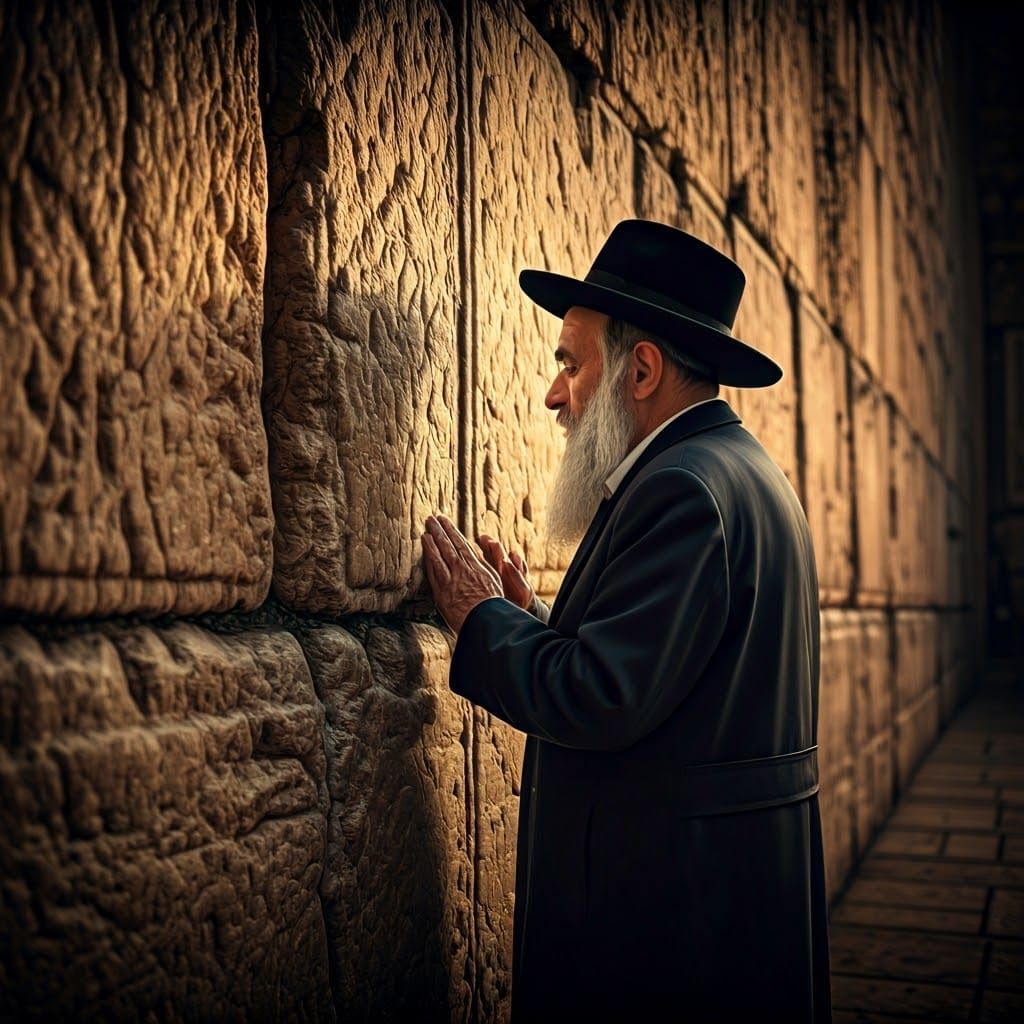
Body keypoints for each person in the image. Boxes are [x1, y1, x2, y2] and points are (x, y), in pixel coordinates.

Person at [421, 220, 831, 1022]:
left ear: (640, 369)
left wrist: (480, 620)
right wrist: (530, 619)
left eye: (571, 363)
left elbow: (602, 695)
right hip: (728, 898)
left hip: (675, 924)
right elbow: (669, 671)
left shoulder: (682, 489)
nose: (553, 393)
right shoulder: (738, 472)